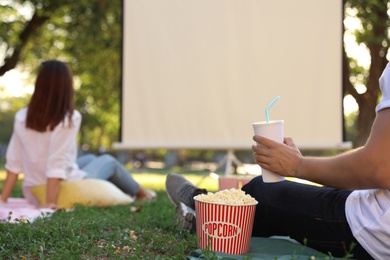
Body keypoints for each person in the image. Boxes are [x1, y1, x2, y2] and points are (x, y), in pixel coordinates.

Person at [166, 64, 390, 259]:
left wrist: (297, 166)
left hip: (377, 233)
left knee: (261, 191)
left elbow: (379, 166)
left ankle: (200, 213)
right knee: (313, 193)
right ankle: (206, 209)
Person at [0, 60, 155, 210]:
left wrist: (3, 199)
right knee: (109, 162)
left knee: (90, 159)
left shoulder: (22, 116)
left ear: (39, 85)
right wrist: (50, 202)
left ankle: (128, 190)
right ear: (67, 87)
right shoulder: (69, 118)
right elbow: (56, 162)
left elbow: (14, 162)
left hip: (33, 190)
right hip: (59, 188)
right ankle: (141, 192)